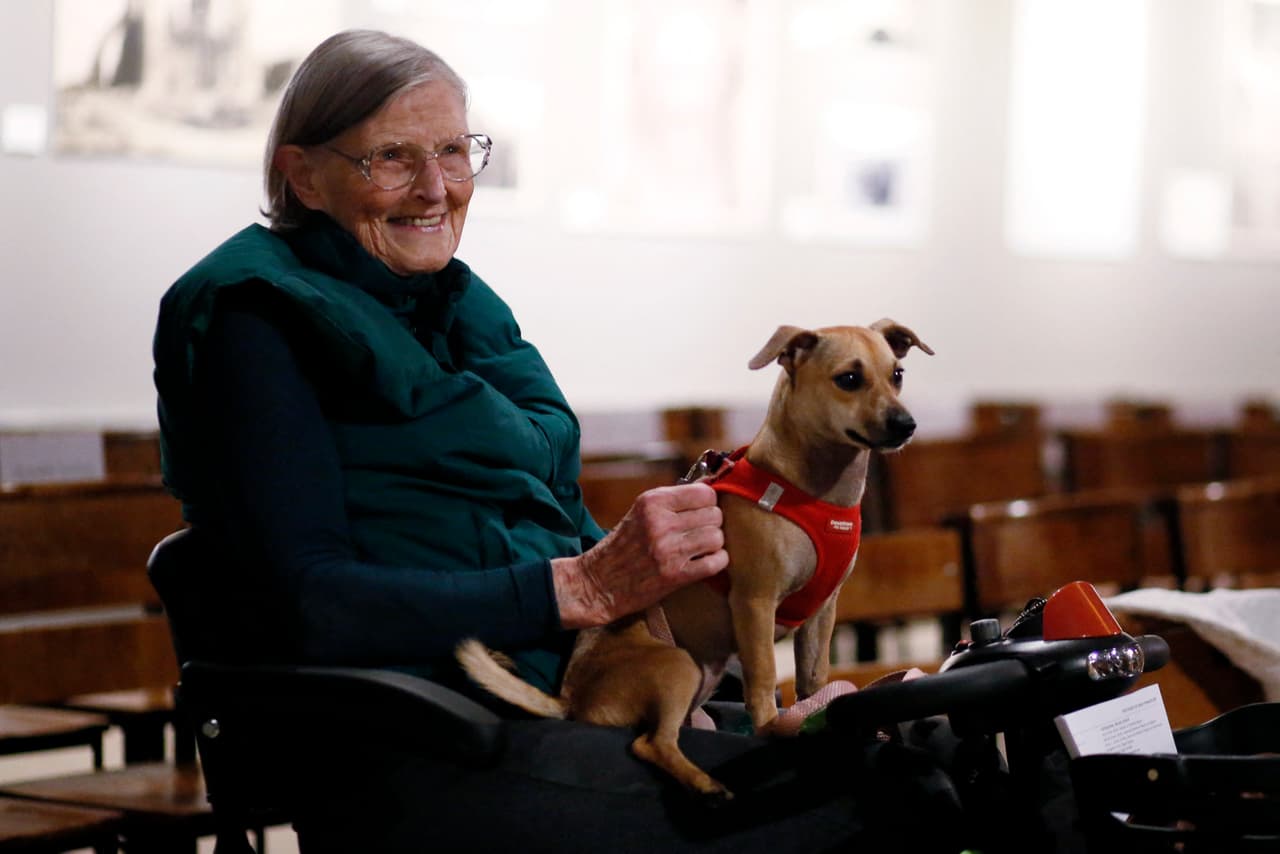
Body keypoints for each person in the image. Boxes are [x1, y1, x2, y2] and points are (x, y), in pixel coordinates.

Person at [153, 30, 961, 853]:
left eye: (454, 151)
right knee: (883, 807)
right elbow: (309, 604)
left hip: (576, 692)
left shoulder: (457, 306)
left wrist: (707, 661)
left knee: (924, 752)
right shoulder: (252, 321)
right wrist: (571, 586)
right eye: (390, 158)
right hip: (423, 734)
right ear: (301, 173)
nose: (436, 188)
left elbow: (541, 525)